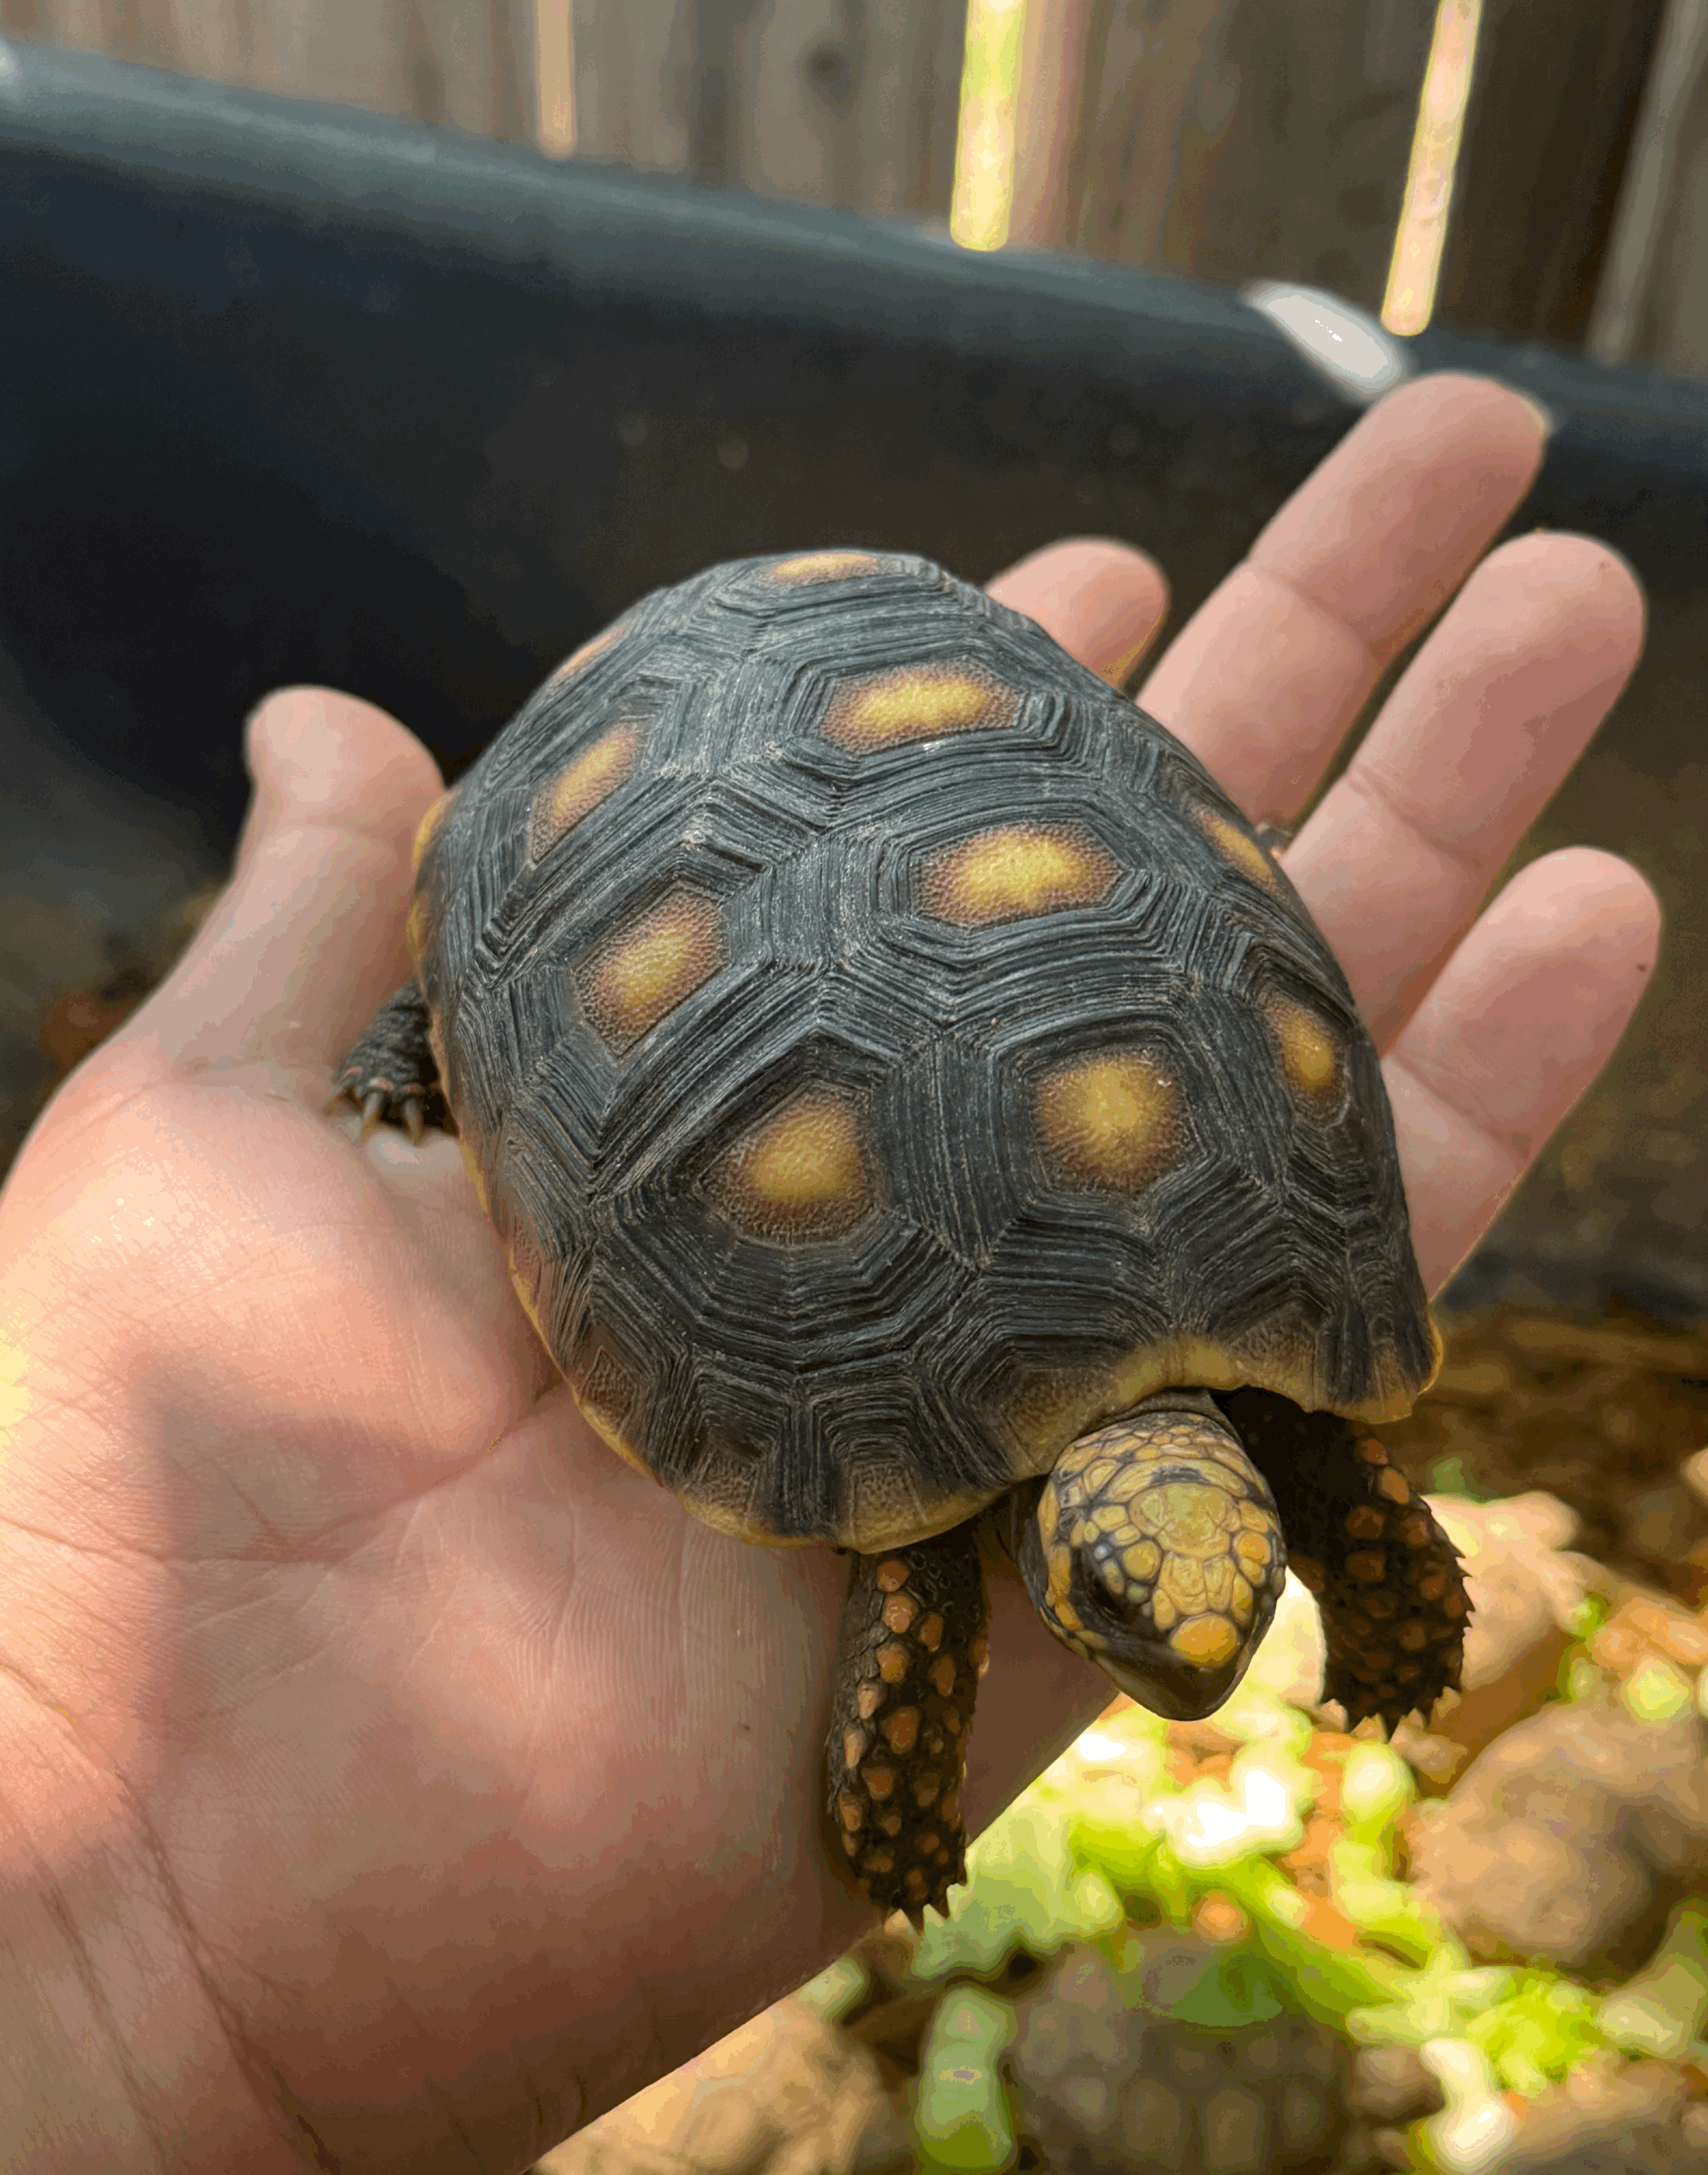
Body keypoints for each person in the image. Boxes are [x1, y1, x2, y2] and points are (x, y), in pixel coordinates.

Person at [0, 374, 1658, 2172]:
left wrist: (121, 1998)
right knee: (905, 1551)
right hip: (618, 776)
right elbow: (931, 1618)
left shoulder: (1237, 1453)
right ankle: (454, 1011)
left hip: (949, 760)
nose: (1187, 1666)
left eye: (1187, 1602)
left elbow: (1331, 1477)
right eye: (1133, 1605)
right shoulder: (945, 1553)